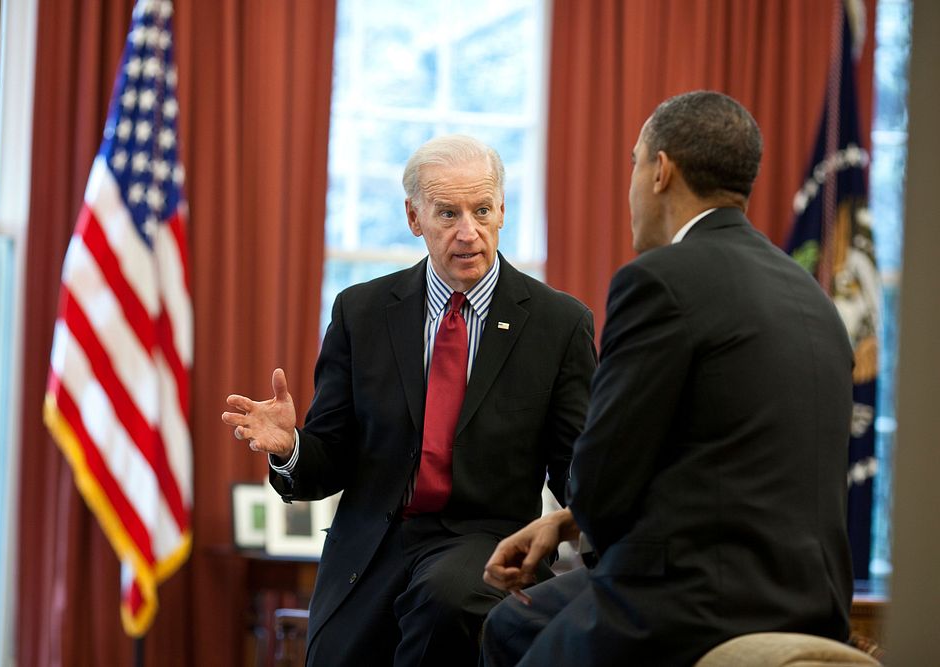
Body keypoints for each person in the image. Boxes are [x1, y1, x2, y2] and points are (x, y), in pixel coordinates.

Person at [481, 91, 855, 666]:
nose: (629, 182)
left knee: (507, 632)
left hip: (694, 603)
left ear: (661, 171)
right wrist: (566, 520)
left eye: (634, 162)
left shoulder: (660, 281)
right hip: (814, 598)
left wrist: (585, 510)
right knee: (516, 621)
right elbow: (727, 463)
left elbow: (601, 483)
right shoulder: (808, 293)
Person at [222, 134, 597, 666]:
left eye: (482, 210)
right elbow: (329, 461)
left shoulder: (558, 324)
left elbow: (576, 467)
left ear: (502, 211)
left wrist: (615, 540)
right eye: (448, 213)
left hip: (481, 544)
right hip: (371, 547)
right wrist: (290, 448)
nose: (469, 232)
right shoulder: (362, 312)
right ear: (414, 217)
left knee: (442, 603)